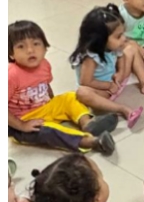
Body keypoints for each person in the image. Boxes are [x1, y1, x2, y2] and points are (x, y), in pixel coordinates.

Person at [8, 19, 118, 152]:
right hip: (21, 120)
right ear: (11, 54)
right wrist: (21, 125)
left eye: (36, 44)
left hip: (44, 108)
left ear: (45, 48)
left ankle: (88, 124)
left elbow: (46, 85)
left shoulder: (44, 65)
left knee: (70, 97)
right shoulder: (11, 75)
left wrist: (55, 104)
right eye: (21, 47)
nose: (30, 50)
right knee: (49, 132)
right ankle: (92, 142)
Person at [70, 4, 144, 123]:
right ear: (100, 39)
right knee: (82, 93)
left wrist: (120, 72)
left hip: (116, 81)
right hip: (101, 91)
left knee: (132, 46)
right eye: (118, 36)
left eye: (122, 34)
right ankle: (121, 109)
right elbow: (86, 82)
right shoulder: (90, 57)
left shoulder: (113, 45)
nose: (123, 38)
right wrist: (109, 86)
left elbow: (121, 57)